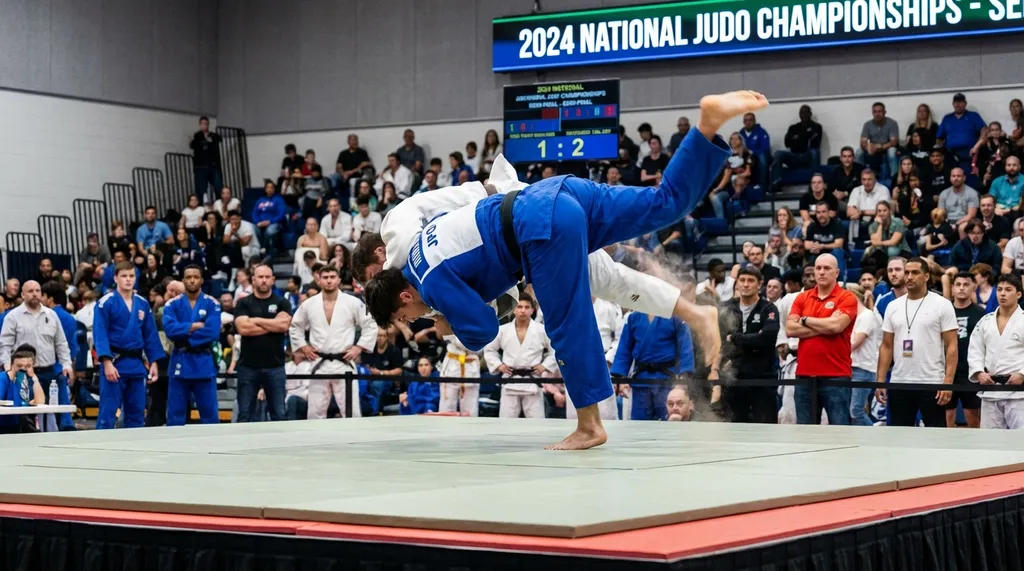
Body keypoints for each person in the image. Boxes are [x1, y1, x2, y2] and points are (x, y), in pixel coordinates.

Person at [361, 91, 767, 449]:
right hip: (554, 192)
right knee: (663, 205)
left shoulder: (424, 277)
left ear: (403, 295)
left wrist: (449, 324)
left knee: (568, 322)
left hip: (536, 228)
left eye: (404, 317)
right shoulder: (419, 242)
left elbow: (483, 329)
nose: (415, 322)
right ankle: (706, 127)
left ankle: (590, 426)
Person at [875, 257, 958, 428]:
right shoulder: (893, 306)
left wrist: (947, 381)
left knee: (936, 436)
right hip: (900, 380)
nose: (909, 277)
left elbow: (952, 345)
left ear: (926, 276)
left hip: (932, 380)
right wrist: (880, 380)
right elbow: (886, 345)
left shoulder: (942, 304)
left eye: (915, 272)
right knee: (899, 437)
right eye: (907, 272)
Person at [289, 265, 376, 419]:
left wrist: (358, 347)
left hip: (344, 363)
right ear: (319, 280)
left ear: (339, 280)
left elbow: (370, 325)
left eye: (332, 277)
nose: (329, 281)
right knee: (315, 413)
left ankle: (354, 442)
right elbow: (295, 326)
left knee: (352, 412)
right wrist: (303, 347)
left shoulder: (352, 302)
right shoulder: (309, 304)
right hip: (319, 363)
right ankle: (318, 442)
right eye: (325, 277)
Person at [785, 254, 857, 425]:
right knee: (805, 433)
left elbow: (836, 327)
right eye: (818, 268)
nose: (822, 272)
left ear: (837, 272)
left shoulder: (847, 298)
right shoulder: (802, 297)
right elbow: (790, 329)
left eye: (827, 268)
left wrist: (804, 320)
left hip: (836, 376)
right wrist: (826, 325)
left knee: (840, 432)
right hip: (804, 376)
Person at [92, 263, 165, 429]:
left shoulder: (142, 304)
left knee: (137, 414)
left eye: (131, 276)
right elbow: (100, 334)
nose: (128, 279)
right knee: (108, 413)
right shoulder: (106, 303)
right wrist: (107, 362)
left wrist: (153, 362)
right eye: (124, 276)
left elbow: (150, 335)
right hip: (115, 364)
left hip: (136, 365)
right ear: (116, 278)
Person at [0, 280, 73, 430]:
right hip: (23, 374)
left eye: (37, 290)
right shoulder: (12, 317)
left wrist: (66, 364)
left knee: (58, 410)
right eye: (30, 291)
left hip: (50, 371)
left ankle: (63, 437)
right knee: (26, 415)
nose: (34, 294)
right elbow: (5, 345)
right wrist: (8, 369)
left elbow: (61, 343)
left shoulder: (51, 315)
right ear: (22, 294)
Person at [161, 266, 222, 426]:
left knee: (210, 415)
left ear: (201, 280)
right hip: (180, 360)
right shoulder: (172, 305)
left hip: (203, 362)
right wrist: (193, 326)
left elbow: (212, 332)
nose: (192, 280)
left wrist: (184, 336)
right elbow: (170, 330)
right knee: (175, 415)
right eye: (188, 277)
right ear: (183, 280)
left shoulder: (212, 303)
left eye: (196, 277)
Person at [718, 267, 780, 423]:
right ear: (737, 284)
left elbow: (767, 338)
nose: (746, 284)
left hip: (763, 377)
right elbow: (721, 338)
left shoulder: (768, 308)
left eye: (751, 281)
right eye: (742, 280)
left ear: (759, 284)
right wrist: (753, 338)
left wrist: (736, 338)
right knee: (735, 427)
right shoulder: (727, 308)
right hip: (735, 377)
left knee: (766, 426)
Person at [232, 264, 292, 422]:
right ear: (253, 280)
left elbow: (284, 326)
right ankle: (243, 446)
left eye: (267, 277)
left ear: (273, 280)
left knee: (279, 414)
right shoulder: (243, 303)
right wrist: (273, 325)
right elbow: (244, 329)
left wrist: (256, 320)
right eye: (260, 277)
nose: (264, 280)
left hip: (275, 366)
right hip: (248, 366)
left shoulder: (282, 303)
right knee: (244, 414)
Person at [482, 294, 557, 419]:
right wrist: (499, 365)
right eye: (520, 307)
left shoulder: (541, 330)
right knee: (506, 423)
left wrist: (545, 366)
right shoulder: (502, 330)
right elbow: (489, 350)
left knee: (536, 423)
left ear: (532, 310)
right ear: (514, 309)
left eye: (527, 307)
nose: (523, 310)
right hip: (510, 380)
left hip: (532, 381)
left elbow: (554, 350)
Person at [612, 309, 695, 422]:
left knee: (669, 423)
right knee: (640, 425)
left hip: (667, 380)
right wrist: (620, 377)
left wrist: (684, 377)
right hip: (641, 381)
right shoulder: (634, 317)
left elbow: (685, 347)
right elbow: (624, 349)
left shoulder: (675, 315)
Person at [968, 274, 1024, 429]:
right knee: (991, 443)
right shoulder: (986, 321)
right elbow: (975, 350)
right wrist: (979, 372)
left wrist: (1022, 374)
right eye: (999, 289)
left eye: (1008, 290)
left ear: (1018, 294)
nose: (1003, 293)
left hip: (1019, 392)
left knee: (1020, 441)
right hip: (991, 389)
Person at [40, 281, 79, 431]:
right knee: (63, 399)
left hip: (46, 364)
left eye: (43, 296)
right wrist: (71, 366)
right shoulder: (70, 318)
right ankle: (67, 424)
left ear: (49, 299)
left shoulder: (47, 316)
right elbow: (72, 346)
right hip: (62, 365)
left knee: (41, 402)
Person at [949, 271, 985, 428]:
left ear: (973, 287)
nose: (961, 288)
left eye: (966, 284)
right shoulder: (944, 311)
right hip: (947, 372)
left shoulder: (981, 314)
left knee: (974, 419)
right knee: (946, 419)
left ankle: (976, 452)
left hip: (971, 372)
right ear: (952, 288)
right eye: (958, 284)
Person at [848, 284, 882, 426]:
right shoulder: (855, 317)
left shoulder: (866, 316)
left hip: (863, 369)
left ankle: (875, 438)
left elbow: (855, 342)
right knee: (853, 411)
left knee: (856, 412)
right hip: (853, 368)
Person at [437, 336, 481, 417]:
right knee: (447, 407)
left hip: (471, 365)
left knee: (470, 410)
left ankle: (470, 429)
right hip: (452, 364)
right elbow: (443, 333)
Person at [190, 116, 223, 204]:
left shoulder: (213, 135)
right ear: (200, 125)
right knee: (201, 189)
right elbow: (193, 145)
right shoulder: (197, 136)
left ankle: (220, 204)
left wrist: (210, 140)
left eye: (206, 124)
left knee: (218, 187)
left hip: (212, 165)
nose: (204, 126)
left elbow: (219, 139)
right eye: (203, 124)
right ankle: (200, 206)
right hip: (201, 167)